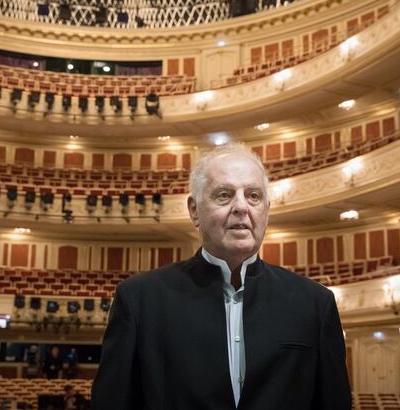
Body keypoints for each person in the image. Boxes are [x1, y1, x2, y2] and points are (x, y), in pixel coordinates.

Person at [91, 142, 351, 409]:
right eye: (224, 195)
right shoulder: (139, 301)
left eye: (253, 196)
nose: (241, 207)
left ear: (266, 210)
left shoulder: (315, 304)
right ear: (194, 210)